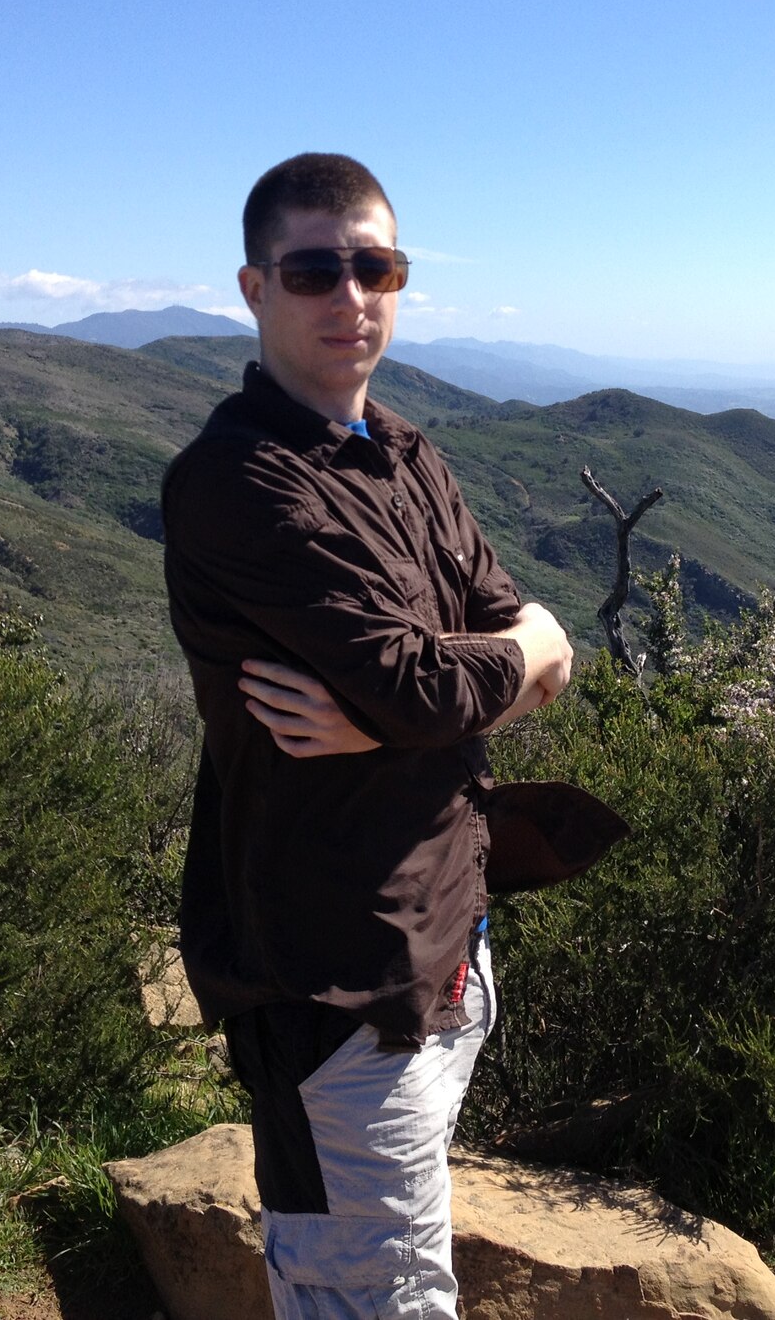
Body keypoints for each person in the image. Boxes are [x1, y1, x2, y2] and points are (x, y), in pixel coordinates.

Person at [161, 152, 577, 1318]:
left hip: (448, 934)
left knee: (394, 1265)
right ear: (254, 288)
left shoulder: (401, 451)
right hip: (331, 978)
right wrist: (484, 673)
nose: (349, 295)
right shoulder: (238, 483)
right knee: (374, 1298)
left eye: (373, 266)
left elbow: (505, 642)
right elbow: (440, 674)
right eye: (312, 271)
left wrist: (441, 691)